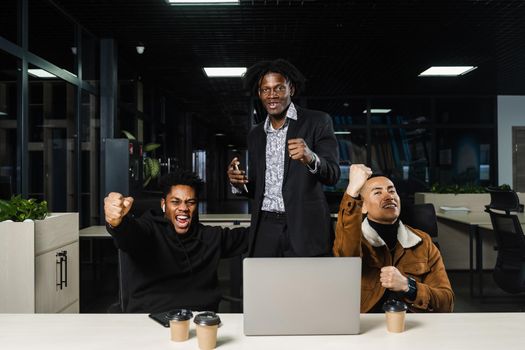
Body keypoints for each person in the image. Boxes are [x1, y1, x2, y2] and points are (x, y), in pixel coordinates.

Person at [227, 58, 340, 257]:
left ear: (291, 90)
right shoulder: (256, 134)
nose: (272, 95)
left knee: (305, 286)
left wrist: (310, 158)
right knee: (266, 284)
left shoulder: (317, 121)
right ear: (259, 93)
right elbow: (259, 188)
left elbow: (333, 175)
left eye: (279, 88)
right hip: (266, 225)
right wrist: (239, 184)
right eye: (265, 90)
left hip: (305, 225)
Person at [104, 170, 248, 313]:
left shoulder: (209, 237)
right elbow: (129, 235)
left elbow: (252, 236)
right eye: (175, 202)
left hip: (200, 322)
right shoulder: (149, 230)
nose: (184, 208)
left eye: (190, 202)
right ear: (163, 204)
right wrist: (116, 222)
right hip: (150, 320)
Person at [333, 164, 454, 313]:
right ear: (363, 206)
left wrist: (408, 286)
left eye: (391, 191)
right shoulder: (354, 241)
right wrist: (352, 191)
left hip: (412, 326)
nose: (388, 196)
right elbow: (346, 257)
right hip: (367, 327)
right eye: (377, 193)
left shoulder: (423, 242)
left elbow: (446, 303)